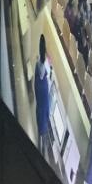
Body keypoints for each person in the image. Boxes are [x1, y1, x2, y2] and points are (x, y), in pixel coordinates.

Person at [34, 34, 53, 163]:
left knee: (41, 110)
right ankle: (43, 140)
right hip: (43, 89)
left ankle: (41, 135)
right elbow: (46, 77)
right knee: (44, 110)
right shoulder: (45, 64)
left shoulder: (38, 63)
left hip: (39, 89)